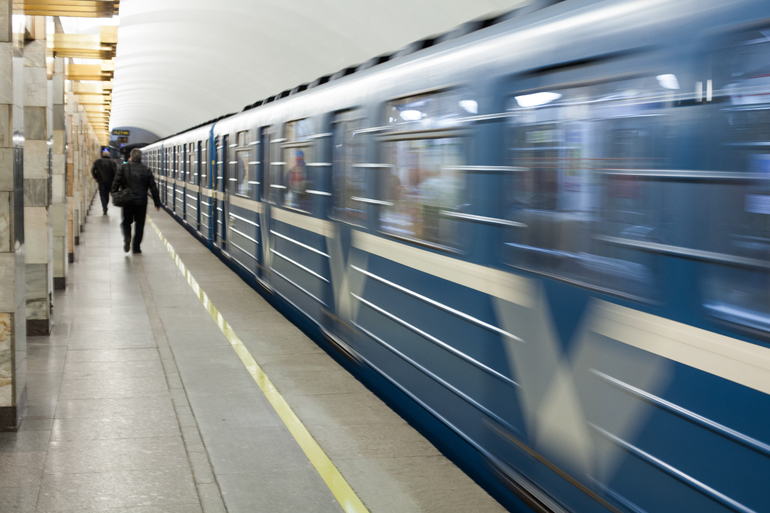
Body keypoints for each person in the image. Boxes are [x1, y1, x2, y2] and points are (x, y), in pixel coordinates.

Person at [111, 148, 161, 254]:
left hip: (127, 200)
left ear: (131, 157)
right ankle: (136, 247)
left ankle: (127, 236)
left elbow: (115, 183)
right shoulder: (146, 169)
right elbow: (153, 187)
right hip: (141, 201)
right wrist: (157, 202)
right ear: (140, 158)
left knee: (126, 222)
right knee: (140, 224)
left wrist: (115, 194)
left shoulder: (123, 167)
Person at [91, 149, 117, 214]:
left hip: (101, 180)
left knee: (102, 194)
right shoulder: (112, 163)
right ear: (109, 155)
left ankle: (104, 206)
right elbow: (115, 172)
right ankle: (106, 205)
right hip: (110, 181)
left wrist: (95, 177)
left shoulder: (97, 162)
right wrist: (114, 180)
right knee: (107, 194)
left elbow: (92, 170)